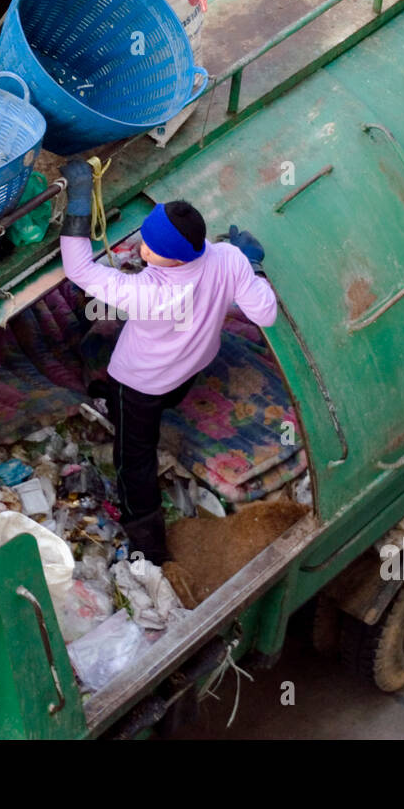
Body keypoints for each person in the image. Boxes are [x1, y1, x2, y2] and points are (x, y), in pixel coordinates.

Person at [57, 159, 278, 563]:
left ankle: (149, 542)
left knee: (135, 459)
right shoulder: (227, 258)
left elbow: (78, 268)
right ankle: (156, 408)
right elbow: (265, 314)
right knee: (168, 397)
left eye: (149, 249)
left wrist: (77, 198)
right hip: (191, 366)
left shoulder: (147, 295)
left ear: (175, 260)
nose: (140, 251)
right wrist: (253, 269)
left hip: (139, 384)